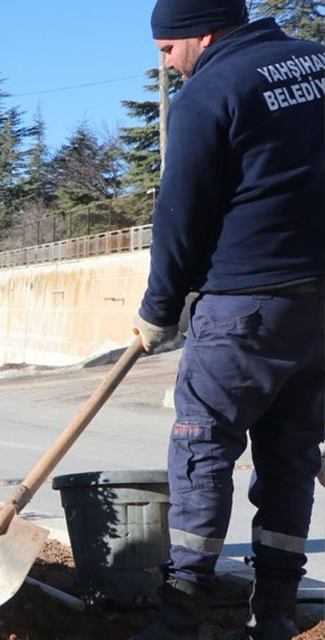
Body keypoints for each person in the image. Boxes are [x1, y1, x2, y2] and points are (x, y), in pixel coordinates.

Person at [129, 1, 324, 638]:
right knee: (291, 455)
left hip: (245, 305)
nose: (166, 64)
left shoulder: (210, 91)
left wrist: (159, 311)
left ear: (202, 34)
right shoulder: (320, 61)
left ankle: (180, 612)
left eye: (167, 50)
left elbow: (180, 216)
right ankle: (274, 615)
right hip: (318, 310)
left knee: (201, 447)